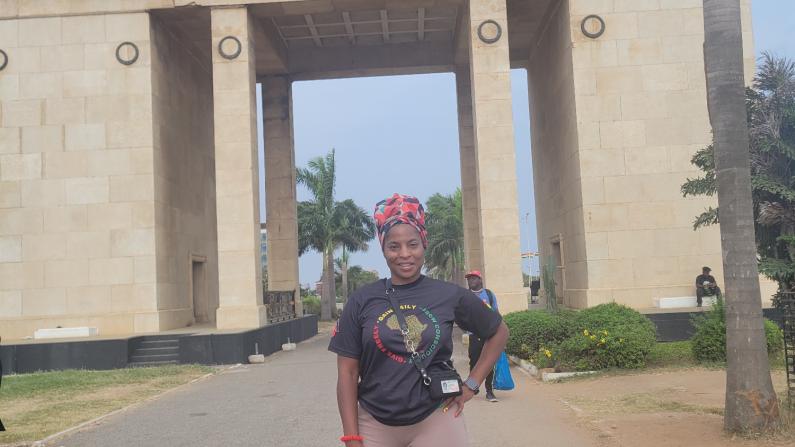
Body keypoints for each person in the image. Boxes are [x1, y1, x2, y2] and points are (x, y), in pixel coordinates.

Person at [330, 193, 509, 447]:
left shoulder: (448, 294)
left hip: (436, 416)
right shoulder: (362, 300)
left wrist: (472, 383)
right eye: (394, 246)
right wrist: (351, 438)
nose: (404, 254)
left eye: (412, 244)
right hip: (374, 422)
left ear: (423, 243)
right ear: (384, 249)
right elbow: (347, 372)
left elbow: (498, 332)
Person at [464, 270, 499, 403]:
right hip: (474, 335)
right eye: (469, 279)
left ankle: (489, 391)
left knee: (489, 362)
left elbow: (496, 313)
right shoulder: (466, 295)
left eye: (473, 278)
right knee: (474, 361)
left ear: (480, 280)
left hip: (489, 335)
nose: (470, 281)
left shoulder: (489, 294)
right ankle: (474, 386)